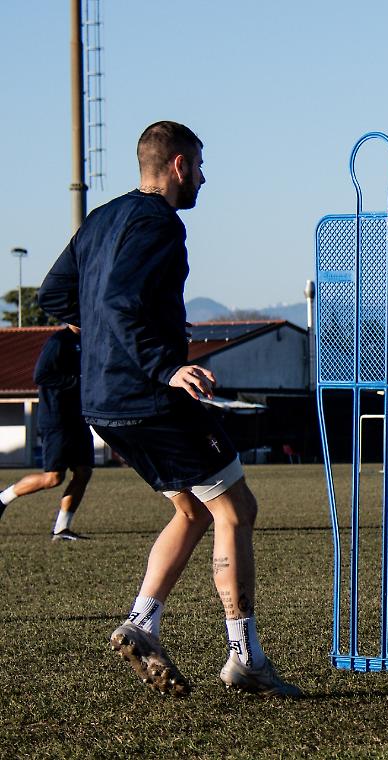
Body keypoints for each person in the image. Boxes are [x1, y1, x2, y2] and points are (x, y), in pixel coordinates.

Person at [38, 120, 300, 697]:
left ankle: (143, 624)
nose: (203, 179)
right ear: (179, 165)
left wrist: (103, 336)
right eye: (199, 167)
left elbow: (54, 295)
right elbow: (118, 300)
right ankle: (245, 657)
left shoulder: (100, 220)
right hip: (150, 397)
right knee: (236, 509)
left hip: (102, 403)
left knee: (193, 510)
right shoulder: (160, 223)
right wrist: (163, 365)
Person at [0, 324, 94, 541]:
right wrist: (77, 381)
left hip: (79, 417)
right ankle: (3, 498)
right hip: (56, 418)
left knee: (83, 471)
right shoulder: (58, 341)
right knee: (53, 478)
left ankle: (61, 529)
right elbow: (41, 375)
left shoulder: (90, 339)